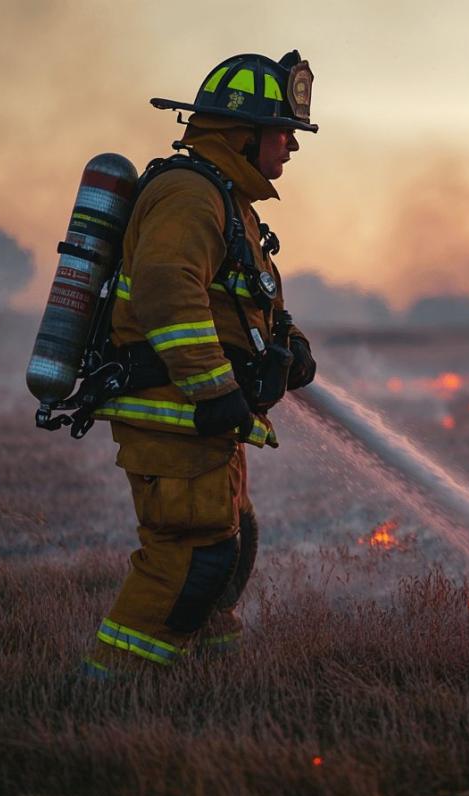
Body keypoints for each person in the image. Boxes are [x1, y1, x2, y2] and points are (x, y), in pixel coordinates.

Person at [82, 51, 318, 676]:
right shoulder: (189, 195)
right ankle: (108, 687)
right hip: (176, 409)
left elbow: (243, 299)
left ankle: (210, 678)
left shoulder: (227, 201)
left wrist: (290, 343)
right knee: (191, 556)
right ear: (243, 133)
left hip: (202, 418)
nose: (292, 145)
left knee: (228, 547)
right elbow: (167, 291)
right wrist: (214, 389)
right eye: (283, 132)